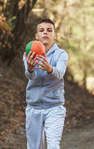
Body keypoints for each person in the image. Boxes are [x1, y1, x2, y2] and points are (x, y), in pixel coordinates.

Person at [23, 19, 69, 149]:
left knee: (53, 146)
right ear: (36, 35)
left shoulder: (61, 54)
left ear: (54, 35)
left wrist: (49, 68)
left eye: (49, 30)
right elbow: (30, 76)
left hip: (54, 107)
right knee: (34, 147)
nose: (45, 33)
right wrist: (30, 68)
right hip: (33, 107)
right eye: (41, 30)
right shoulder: (28, 52)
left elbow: (59, 73)